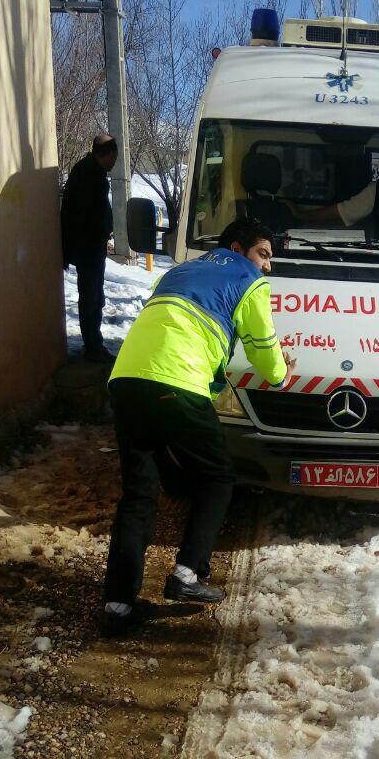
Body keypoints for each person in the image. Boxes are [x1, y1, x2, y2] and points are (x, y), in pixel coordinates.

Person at [102, 219, 293, 635]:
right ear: (239, 248)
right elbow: (264, 349)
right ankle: (187, 576)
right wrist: (281, 375)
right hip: (177, 382)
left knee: (138, 496)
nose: (267, 266)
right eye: (264, 253)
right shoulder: (248, 280)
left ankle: (118, 607)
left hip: (127, 380)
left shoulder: (180, 270)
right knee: (218, 478)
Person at [60, 134, 118, 363]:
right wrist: (98, 235)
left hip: (90, 248)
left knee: (94, 295)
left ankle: (95, 343)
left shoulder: (89, 170)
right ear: (105, 154)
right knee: (91, 297)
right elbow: (84, 215)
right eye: (113, 158)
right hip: (88, 249)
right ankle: (93, 346)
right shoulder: (90, 174)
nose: (114, 163)